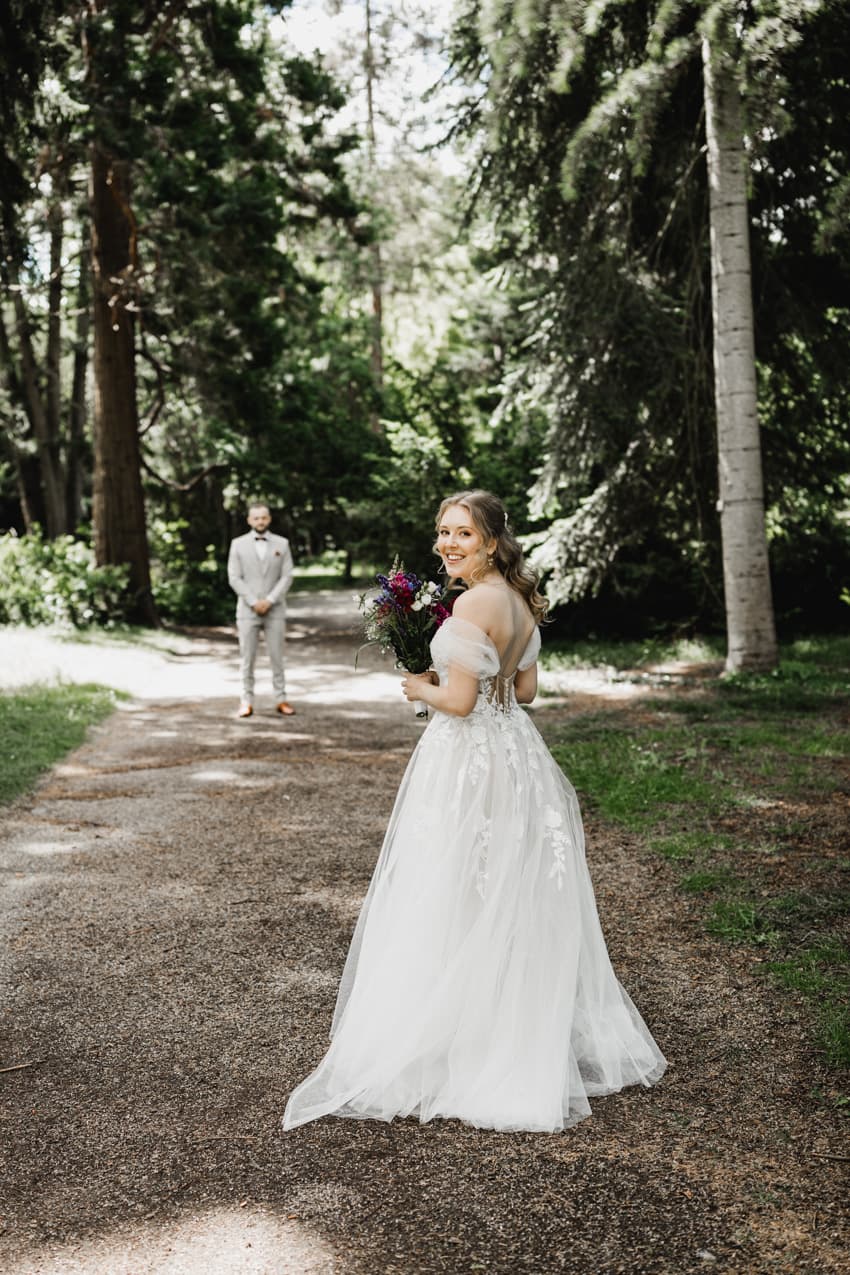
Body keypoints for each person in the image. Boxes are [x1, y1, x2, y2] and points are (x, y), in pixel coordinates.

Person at [282, 490, 666, 1132]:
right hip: (517, 755)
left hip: (467, 760)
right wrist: (460, 679)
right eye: (442, 532)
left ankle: (457, 1037)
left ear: (491, 541)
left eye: (462, 533)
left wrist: (419, 686)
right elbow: (525, 690)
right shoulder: (520, 601)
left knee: (454, 886)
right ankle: (506, 1025)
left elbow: (459, 704)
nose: (447, 543)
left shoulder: (470, 603)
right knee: (505, 887)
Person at [227, 502, 295, 719]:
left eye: (264, 517)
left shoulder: (282, 544)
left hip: (275, 610)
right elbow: (234, 577)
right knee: (247, 658)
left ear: (269, 519)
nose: (260, 521)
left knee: (277, 657)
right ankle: (246, 701)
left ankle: (281, 699)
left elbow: (287, 576)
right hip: (247, 611)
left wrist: (270, 600)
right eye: (256, 518)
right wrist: (253, 601)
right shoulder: (237, 544)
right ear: (249, 520)